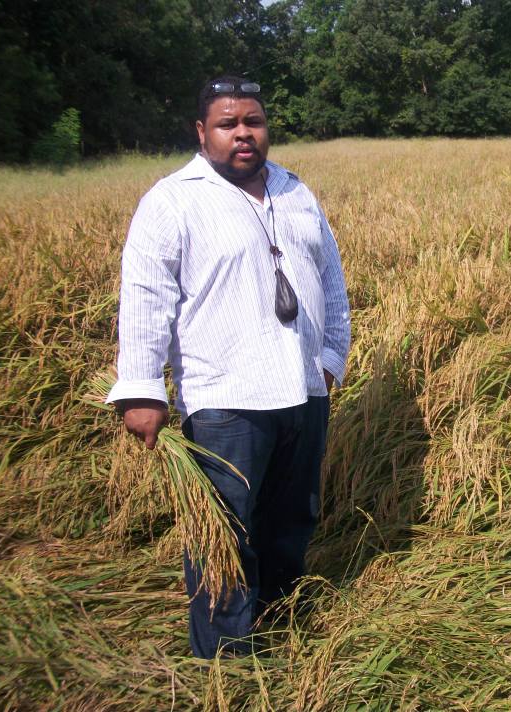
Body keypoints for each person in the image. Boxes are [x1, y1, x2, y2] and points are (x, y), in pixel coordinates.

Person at [106, 75, 351, 658]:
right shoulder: (173, 200)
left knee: (292, 520)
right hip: (224, 401)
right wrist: (142, 389)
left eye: (253, 122)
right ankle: (226, 658)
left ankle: (280, 621)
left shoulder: (295, 191)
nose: (243, 133)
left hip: (302, 391)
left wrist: (329, 359)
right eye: (228, 123)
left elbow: (331, 281)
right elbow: (146, 295)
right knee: (224, 533)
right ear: (202, 132)